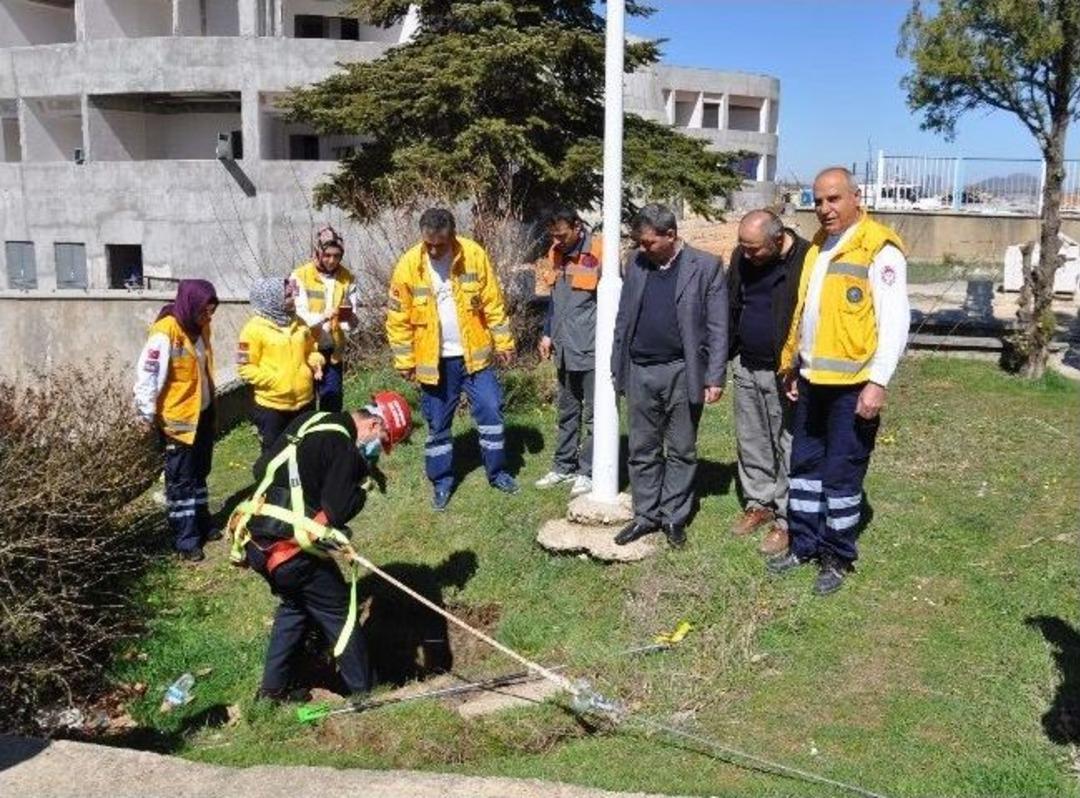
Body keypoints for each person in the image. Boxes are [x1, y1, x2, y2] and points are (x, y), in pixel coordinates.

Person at [768, 166, 910, 596]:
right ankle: (805, 543)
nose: (825, 209)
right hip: (812, 380)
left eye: (834, 199)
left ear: (855, 197)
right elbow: (807, 314)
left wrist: (878, 382)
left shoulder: (878, 247)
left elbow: (895, 321)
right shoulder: (818, 247)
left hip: (853, 385)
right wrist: (794, 364)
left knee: (841, 474)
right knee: (806, 468)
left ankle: (837, 555)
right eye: (818, 200)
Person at [227, 391, 413, 701]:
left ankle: (271, 693)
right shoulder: (344, 448)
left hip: (255, 540)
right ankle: (366, 694)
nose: (377, 450)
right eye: (382, 440)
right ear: (373, 423)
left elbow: (261, 468)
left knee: (296, 607)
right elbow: (338, 510)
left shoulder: (310, 419)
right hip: (289, 551)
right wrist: (362, 483)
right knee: (339, 610)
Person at [611, 204, 728, 548]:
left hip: (683, 370)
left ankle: (674, 516)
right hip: (640, 370)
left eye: (648, 242)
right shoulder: (635, 263)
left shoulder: (705, 266)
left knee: (681, 448)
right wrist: (618, 364)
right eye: (638, 242)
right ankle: (646, 515)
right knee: (642, 447)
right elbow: (624, 316)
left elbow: (718, 327)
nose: (642, 248)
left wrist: (715, 376)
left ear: (671, 235)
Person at [386, 208, 518, 511]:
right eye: (428, 244)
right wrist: (405, 361)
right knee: (438, 425)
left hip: (476, 359)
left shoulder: (473, 255)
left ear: (453, 236)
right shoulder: (408, 266)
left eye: (440, 245)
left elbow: (493, 303)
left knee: (491, 411)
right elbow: (397, 318)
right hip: (435, 363)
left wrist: (504, 342)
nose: (434, 250)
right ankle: (442, 482)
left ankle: (498, 473)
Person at [727, 210, 811, 556]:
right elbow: (731, 305)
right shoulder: (741, 256)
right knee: (752, 440)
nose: (747, 255)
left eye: (754, 249)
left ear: (778, 240)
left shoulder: (808, 259)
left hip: (786, 371)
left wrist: (800, 366)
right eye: (742, 247)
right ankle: (758, 502)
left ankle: (786, 519)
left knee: (787, 443)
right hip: (746, 364)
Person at [134, 279, 220, 562]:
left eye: (211, 312)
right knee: (181, 481)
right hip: (178, 420)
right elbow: (148, 377)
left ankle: (202, 523)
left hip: (202, 414)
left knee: (199, 473)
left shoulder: (200, 328)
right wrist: (145, 414)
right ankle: (186, 539)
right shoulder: (164, 333)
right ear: (190, 306)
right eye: (203, 312)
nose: (208, 318)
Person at [534, 207, 602, 498]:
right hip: (563, 347)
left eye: (562, 234)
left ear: (577, 226)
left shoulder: (599, 250)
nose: (558, 241)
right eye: (553, 236)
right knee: (567, 410)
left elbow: (612, 299)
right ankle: (564, 465)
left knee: (593, 415)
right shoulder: (556, 253)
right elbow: (555, 298)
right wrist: (548, 332)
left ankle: (589, 471)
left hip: (590, 347)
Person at [237, 276, 326, 454]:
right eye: (287, 296)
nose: (293, 298)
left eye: (291, 294)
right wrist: (276, 380)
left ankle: (305, 481)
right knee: (274, 454)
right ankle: (276, 482)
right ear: (271, 299)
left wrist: (316, 362)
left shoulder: (299, 322)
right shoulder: (252, 330)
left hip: (305, 401)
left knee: (305, 448)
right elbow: (244, 368)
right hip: (272, 407)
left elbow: (311, 351)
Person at [291, 225, 359, 412]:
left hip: (333, 351)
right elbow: (298, 314)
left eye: (337, 256)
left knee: (332, 400)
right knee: (305, 402)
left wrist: (351, 320)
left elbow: (349, 318)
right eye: (327, 255)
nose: (332, 260)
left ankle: (330, 438)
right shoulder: (298, 276)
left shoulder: (348, 278)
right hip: (305, 349)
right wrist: (323, 316)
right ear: (317, 252)